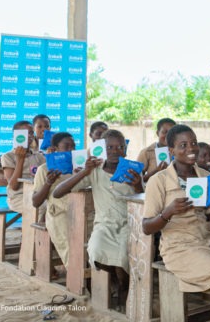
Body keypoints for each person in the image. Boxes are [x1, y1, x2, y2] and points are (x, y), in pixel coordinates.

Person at [142, 125, 210, 319]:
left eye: (193, 143)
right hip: (179, 247)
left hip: (208, 239)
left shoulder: (205, 175)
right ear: (171, 151)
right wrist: (167, 212)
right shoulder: (159, 181)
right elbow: (146, 227)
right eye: (183, 145)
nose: (191, 149)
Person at [53, 129, 143, 307]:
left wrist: (138, 185)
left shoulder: (132, 171)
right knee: (95, 251)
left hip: (128, 224)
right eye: (110, 147)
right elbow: (57, 192)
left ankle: (123, 291)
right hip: (104, 224)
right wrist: (84, 172)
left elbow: (145, 199)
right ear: (102, 148)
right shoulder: (95, 171)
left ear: (125, 150)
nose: (115, 150)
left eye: (120, 147)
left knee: (123, 258)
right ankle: (118, 282)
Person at [32, 132, 75, 266]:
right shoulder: (44, 169)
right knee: (69, 247)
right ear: (55, 148)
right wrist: (48, 182)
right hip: (58, 213)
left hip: (81, 211)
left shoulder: (80, 166)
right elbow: (36, 202)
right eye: (66, 146)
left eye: (73, 146)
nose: (71, 149)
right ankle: (76, 275)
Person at [2, 121, 45, 213]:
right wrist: (20, 160)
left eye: (31, 133)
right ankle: (34, 227)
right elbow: (14, 186)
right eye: (25, 133)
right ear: (15, 136)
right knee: (42, 207)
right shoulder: (8, 156)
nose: (29, 136)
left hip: (37, 194)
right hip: (18, 197)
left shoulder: (38, 156)